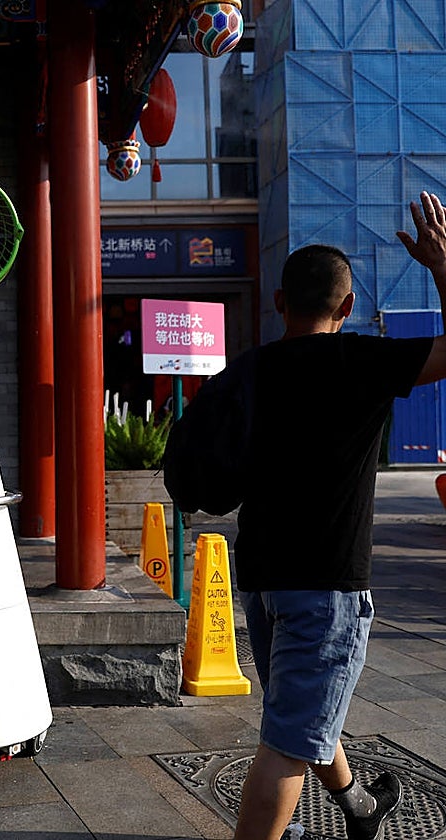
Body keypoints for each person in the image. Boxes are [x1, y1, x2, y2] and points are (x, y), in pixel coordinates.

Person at [230, 192, 446, 840]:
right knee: (289, 743)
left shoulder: (253, 371)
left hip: (262, 578)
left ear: (278, 304)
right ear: (348, 308)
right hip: (324, 587)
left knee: (299, 715)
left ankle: (356, 804)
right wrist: (441, 264)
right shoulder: (362, 363)